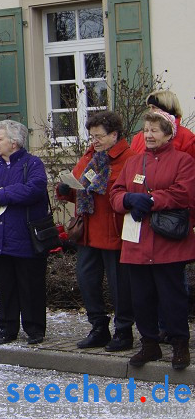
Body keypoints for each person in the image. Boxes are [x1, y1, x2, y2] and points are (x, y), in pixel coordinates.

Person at [110, 108, 195, 370]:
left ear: (168, 134)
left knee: (172, 297)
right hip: (137, 242)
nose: (148, 135)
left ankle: (179, 343)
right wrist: (127, 199)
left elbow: (183, 194)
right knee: (141, 297)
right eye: (145, 130)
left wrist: (151, 200)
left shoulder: (183, 161)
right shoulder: (134, 162)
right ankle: (149, 344)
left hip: (168, 242)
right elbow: (116, 195)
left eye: (154, 130)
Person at [56, 109, 136, 352]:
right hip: (88, 232)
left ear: (114, 135)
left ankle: (123, 332)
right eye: (92, 136)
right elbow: (80, 188)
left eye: (99, 136)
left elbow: (126, 194)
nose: (94, 141)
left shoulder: (130, 158)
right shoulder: (90, 155)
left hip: (114, 232)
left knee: (119, 286)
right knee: (86, 280)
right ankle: (98, 327)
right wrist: (66, 188)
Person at [0, 119, 49, 345]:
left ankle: (35, 329)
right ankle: (7, 327)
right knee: (6, 287)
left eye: (0, 138)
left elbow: (34, 189)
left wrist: (2, 195)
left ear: (14, 142)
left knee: (30, 285)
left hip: (25, 237)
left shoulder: (32, 164)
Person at [128, 90, 195, 161]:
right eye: (149, 107)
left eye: (154, 107)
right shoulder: (139, 137)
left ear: (167, 109)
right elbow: (132, 165)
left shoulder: (186, 138)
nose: (150, 111)